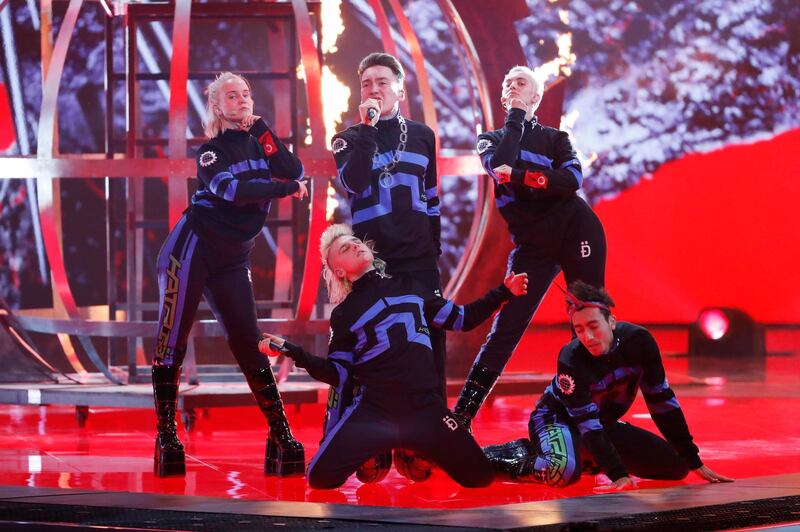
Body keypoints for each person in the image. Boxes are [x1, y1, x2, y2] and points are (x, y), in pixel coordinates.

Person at [259, 224, 529, 489]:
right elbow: (338, 374)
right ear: (339, 270)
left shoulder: (411, 286)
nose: (355, 245)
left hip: (425, 410)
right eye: (345, 247)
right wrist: (291, 350)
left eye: (357, 242)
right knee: (318, 478)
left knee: (479, 477)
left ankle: (451, 449)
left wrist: (503, 292)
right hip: (376, 412)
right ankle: (379, 453)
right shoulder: (344, 313)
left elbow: (461, 319)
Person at [152, 72, 308, 477]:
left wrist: (265, 132)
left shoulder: (261, 142)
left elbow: (294, 167)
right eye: (231, 95)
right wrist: (285, 188)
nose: (241, 100)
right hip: (193, 247)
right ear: (217, 107)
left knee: (248, 343)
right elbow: (232, 192)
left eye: (245, 94)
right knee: (173, 339)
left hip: (234, 257)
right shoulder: (211, 151)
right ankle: (167, 434)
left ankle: (280, 433)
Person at [452, 65, 607, 430]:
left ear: (536, 97)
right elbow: (500, 163)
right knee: (506, 327)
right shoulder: (489, 139)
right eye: (508, 84)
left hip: (577, 231)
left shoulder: (557, 138)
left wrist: (521, 177)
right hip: (532, 247)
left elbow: (572, 181)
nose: (512, 87)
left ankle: (590, 416)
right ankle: (461, 417)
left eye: (521, 84)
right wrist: (516, 121)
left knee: (586, 317)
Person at [483, 281, 733, 490]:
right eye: (579, 329)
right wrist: (618, 474)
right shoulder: (571, 359)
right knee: (561, 471)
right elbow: (587, 425)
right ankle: (512, 456)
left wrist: (693, 460)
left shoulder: (640, 342)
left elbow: (663, 403)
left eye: (593, 326)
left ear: (611, 322)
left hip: (602, 424)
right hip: (555, 420)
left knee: (676, 468)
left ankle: (584, 458)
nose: (587, 337)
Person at [330, 52, 444, 478]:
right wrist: (366, 129)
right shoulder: (347, 138)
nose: (373, 90)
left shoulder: (422, 135)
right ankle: (371, 441)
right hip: (372, 260)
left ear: (400, 88)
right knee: (370, 346)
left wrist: (433, 247)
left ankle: (423, 440)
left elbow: (431, 198)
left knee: (429, 344)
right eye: (366, 84)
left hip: (418, 259)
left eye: (381, 82)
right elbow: (354, 182)